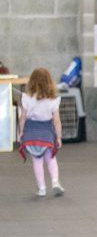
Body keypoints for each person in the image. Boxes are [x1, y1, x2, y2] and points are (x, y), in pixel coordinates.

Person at [17, 68, 64, 197]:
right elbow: (57, 121)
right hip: (47, 133)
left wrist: (21, 132)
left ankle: (42, 188)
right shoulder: (54, 100)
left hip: (31, 133)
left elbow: (22, 118)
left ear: (31, 82)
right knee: (51, 158)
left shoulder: (26, 98)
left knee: (37, 161)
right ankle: (55, 182)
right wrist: (58, 137)